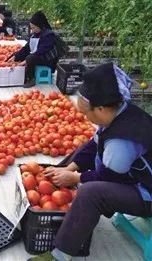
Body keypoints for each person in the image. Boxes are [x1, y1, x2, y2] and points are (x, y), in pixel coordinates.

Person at [29, 63, 152, 261]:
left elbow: (110, 178)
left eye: (87, 113)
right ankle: (62, 184)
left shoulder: (123, 140)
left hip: (146, 194)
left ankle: (59, 255)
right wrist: (68, 168)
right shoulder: (120, 113)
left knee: (90, 193)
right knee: (81, 150)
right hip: (132, 179)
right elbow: (93, 145)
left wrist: (76, 177)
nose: (85, 117)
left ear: (101, 109)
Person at [9, 11, 59, 88]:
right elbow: (27, 48)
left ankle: (31, 79)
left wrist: (25, 61)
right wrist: (15, 56)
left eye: (34, 28)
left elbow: (41, 51)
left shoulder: (49, 35)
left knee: (30, 58)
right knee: (17, 55)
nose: (32, 30)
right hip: (38, 57)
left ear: (40, 25)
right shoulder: (35, 35)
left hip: (48, 61)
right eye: (31, 28)